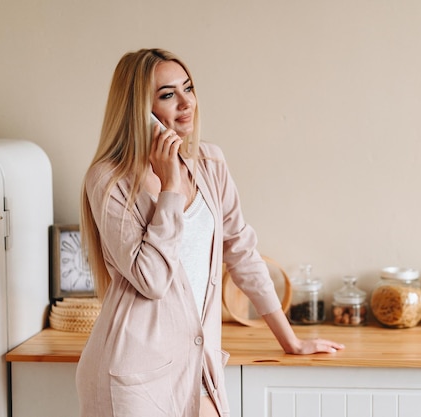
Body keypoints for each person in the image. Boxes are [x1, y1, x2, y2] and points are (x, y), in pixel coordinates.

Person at [75, 48, 344, 417]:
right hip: (133, 375)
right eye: (168, 94)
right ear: (139, 110)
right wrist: (169, 186)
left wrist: (291, 339)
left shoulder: (210, 164)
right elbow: (151, 279)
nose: (187, 103)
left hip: (199, 365)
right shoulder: (108, 180)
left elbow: (242, 253)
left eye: (189, 88)